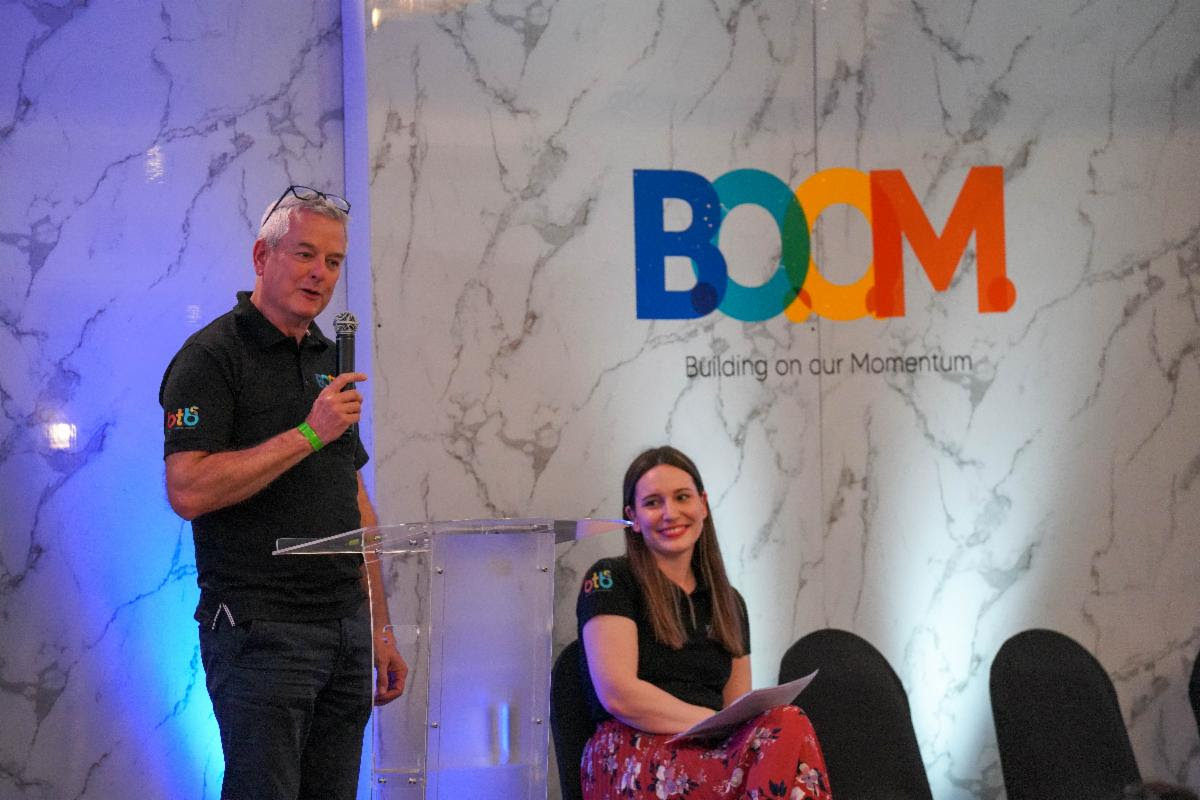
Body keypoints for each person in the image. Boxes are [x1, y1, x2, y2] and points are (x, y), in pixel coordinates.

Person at [159, 185, 407, 800]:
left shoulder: (330, 358)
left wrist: (379, 625)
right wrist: (308, 432)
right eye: (304, 254)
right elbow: (187, 489)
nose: (320, 273)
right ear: (261, 257)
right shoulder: (212, 356)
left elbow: (353, 496)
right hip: (261, 630)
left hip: (344, 627)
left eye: (333, 261)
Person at [576, 446, 832, 799]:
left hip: (710, 750)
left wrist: (723, 729)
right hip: (628, 753)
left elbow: (738, 708)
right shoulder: (610, 578)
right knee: (783, 734)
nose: (670, 513)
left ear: (703, 504)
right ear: (632, 516)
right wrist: (709, 723)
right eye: (653, 503)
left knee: (786, 722)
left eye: (682, 497)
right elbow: (619, 695)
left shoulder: (729, 601)